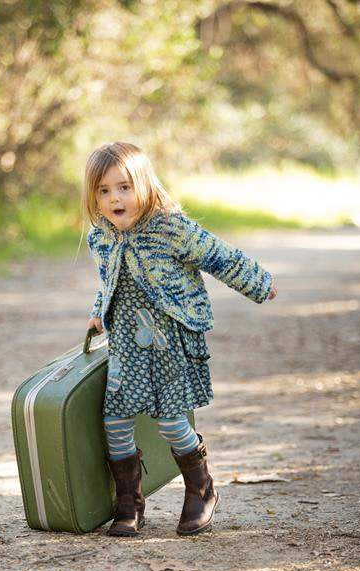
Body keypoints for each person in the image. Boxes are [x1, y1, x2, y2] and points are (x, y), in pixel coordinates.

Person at [83, 141, 277, 538]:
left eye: (123, 187)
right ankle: (129, 505)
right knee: (115, 420)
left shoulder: (171, 228)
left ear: (144, 185)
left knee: (170, 420)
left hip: (169, 341)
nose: (114, 198)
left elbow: (220, 256)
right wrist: (98, 312)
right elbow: (109, 281)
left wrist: (260, 283)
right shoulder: (100, 236)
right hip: (126, 344)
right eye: (103, 190)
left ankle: (202, 488)